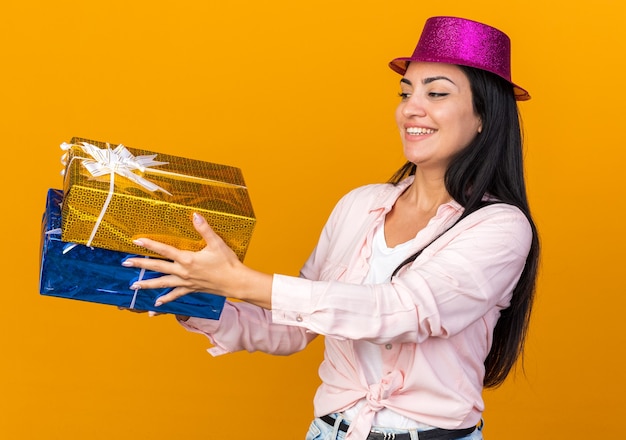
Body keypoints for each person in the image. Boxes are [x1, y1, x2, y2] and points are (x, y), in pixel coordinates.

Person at [122, 16, 540, 440]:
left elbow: (402, 312)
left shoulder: (500, 227)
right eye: (405, 92)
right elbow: (291, 327)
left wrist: (242, 281)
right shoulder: (360, 205)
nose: (411, 107)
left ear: (485, 116)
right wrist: (184, 293)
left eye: (436, 93)